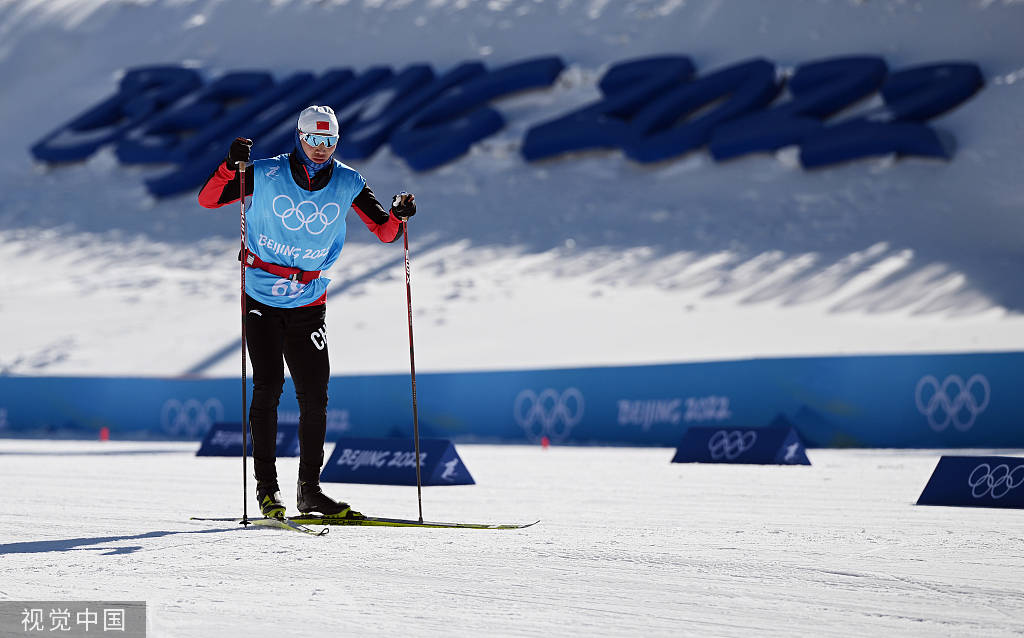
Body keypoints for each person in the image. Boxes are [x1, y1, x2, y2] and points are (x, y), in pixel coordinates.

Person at [198, 105, 416, 519]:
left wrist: (400, 217)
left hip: (309, 300)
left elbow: (386, 231)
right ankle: (267, 492)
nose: (321, 149)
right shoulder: (264, 173)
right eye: (314, 140)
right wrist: (230, 167)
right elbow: (208, 199)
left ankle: (309, 491)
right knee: (268, 388)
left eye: (329, 141)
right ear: (299, 138)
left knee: (315, 397)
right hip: (261, 296)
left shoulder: (350, 182)